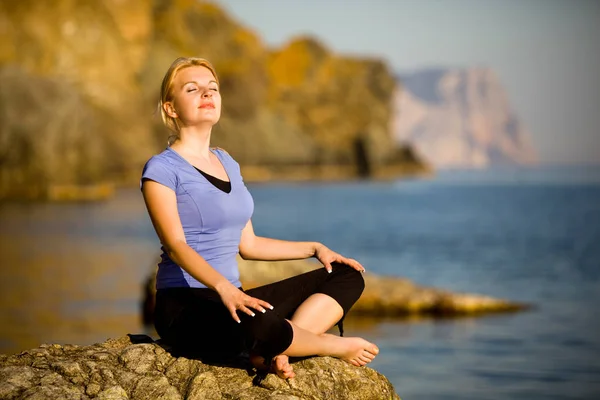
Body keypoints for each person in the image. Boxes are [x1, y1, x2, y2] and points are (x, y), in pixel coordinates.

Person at [140, 57, 379, 379]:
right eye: (193, 89)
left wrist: (314, 248)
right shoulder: (161, 169)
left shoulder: (227, 162)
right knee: (259, 322)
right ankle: (327, 345)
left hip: (234, 300)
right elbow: (176, 246)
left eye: (213, 88)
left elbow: (249, 245)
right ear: (171, 108)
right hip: (185, 307)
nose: (207, 94)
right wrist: (225, 290)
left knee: (346, 275)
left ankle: (277, 348)